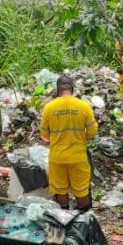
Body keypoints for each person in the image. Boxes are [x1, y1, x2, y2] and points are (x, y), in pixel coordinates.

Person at [40, 74, 98, 210]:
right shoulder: (84, 106)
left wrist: (56, 139)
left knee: (61, 191)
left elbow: (44, 134)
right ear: (72, 89)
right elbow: (93, 132)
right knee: (81, 191)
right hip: (78, 157)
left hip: (57, 158)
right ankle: (83, 222)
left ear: (57, 90)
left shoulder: (49, 107)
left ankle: (64, 220)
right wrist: (80, 137)